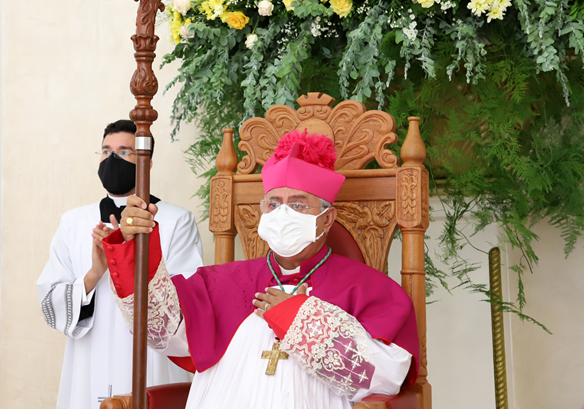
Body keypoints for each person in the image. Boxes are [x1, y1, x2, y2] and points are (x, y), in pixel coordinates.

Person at [102, 131, 419, 409]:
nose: (282, 213)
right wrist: (133, 246)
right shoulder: (223, 281)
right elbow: (159, 328)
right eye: (273, 203)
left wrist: (299, 319)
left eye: (297, 204)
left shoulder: (368, 288)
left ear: (326, 219)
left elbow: (387, 377)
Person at [37, 120, 203, 409]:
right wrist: (95, 273)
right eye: (106, 151)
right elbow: (51, 301)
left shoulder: (176, 220)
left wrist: (130, 257)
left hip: (150, 358)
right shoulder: (74, 222)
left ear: (146, 163)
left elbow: (187, 303)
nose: (112, 159)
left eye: (124, 152)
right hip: (89, 355)